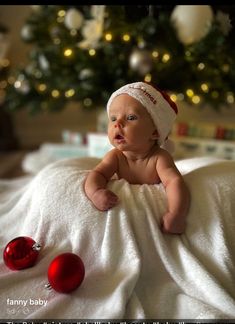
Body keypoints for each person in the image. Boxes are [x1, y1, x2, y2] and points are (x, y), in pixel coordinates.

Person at [84, 82, 190, 234]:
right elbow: (98, 174)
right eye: (113, 118)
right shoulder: (116, 156)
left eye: (131, 117)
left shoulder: (159, 158)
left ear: (155, 132)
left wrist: (176, 214)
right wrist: (95, 193)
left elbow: (174, 182)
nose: (117, 124)